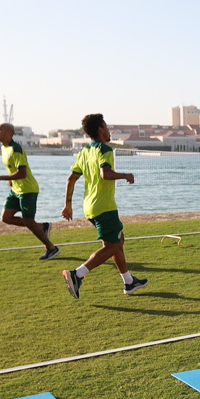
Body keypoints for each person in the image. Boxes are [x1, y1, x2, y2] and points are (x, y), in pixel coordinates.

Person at [60, 114, 146, 298]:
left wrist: (68, 205)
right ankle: (77, 274)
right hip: (104, 207)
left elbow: (71, 179)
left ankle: (129, 282)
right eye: (106, 126)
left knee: (117, 241)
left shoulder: (84, 152)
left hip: (89, 207)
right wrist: (125, 175)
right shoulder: (104, 149)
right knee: (113, 246)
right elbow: (105, 174)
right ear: (100, 129)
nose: (109, 130)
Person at [0, 122, 59, 260]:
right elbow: (13, 168)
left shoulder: (16, 148)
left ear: (9, 133)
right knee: (6, 218)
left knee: (28, 221)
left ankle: (52, 248)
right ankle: (42, 227)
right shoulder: (4, 148)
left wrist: (0, 178)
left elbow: (22, 173)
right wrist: (10, 180)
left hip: (27, 190)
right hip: (16, 190)